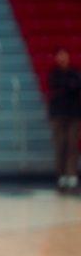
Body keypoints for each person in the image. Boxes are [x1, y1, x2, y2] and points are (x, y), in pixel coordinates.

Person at [47, 47, 81, 191]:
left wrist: (68, 87)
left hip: (74, 114)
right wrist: (68, 87)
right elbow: (56, 87)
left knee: (72, 145)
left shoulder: (74, 73)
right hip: (58, 114)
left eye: (64, 55)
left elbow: (76, 87)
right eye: (60, 56)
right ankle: (61, 175)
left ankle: (71, 175)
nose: (62, 58)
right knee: (60, 145)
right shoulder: (54, 74)